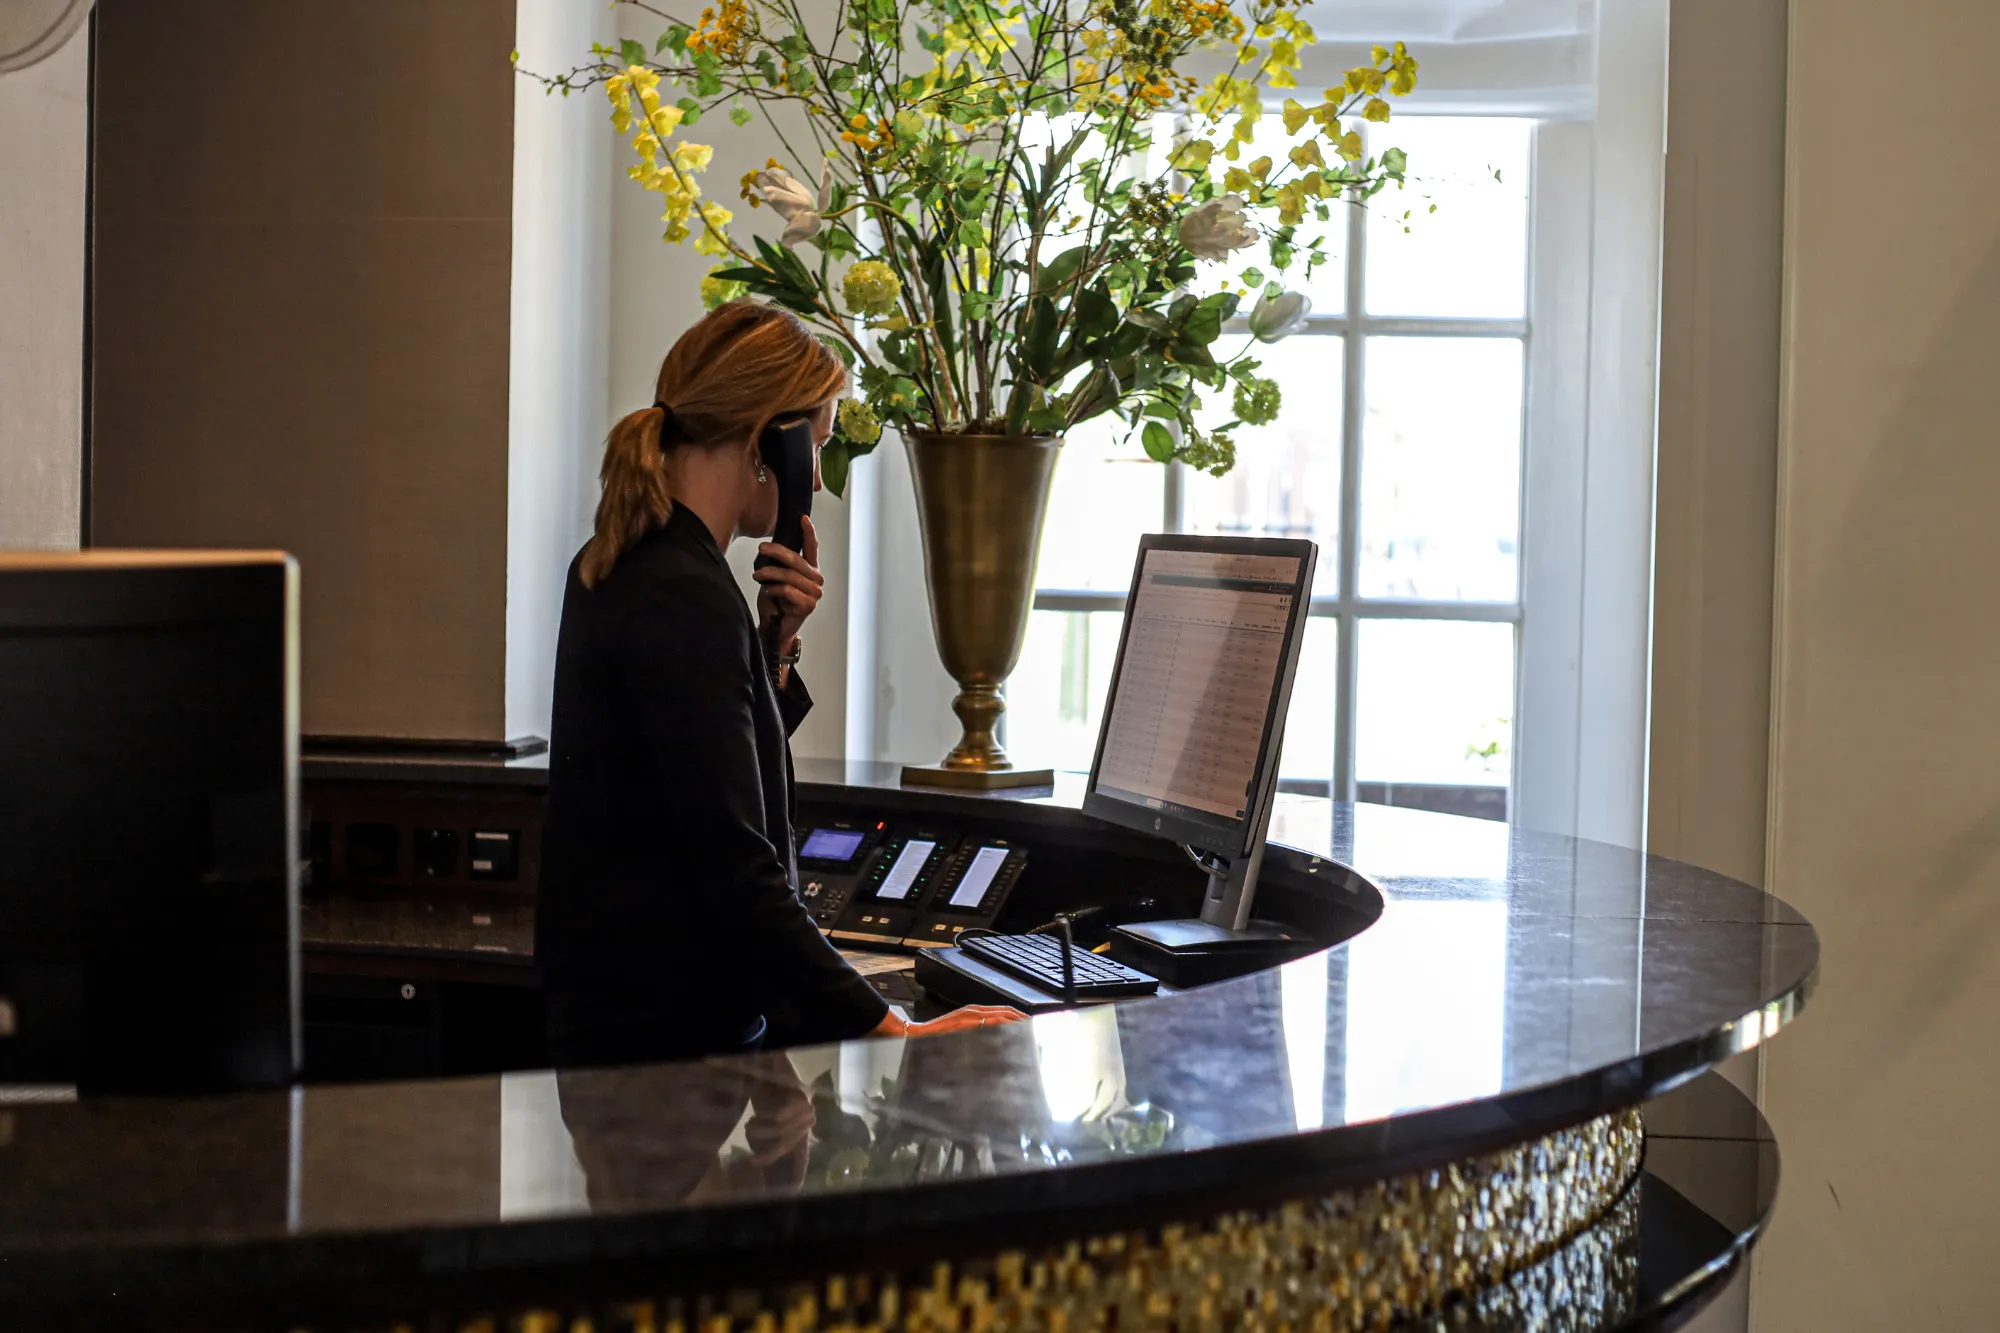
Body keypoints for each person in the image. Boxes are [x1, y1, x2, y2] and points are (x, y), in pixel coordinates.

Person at [538, 300, 1022, 1067]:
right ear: (774, 441)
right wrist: (893, 1031)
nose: (819, 482)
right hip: (664, 1046)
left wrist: (773, 647)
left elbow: (696, 766)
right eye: (818, 449)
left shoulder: (637, 561)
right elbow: (736, 860)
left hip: (629, 1024)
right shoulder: (680, 589)